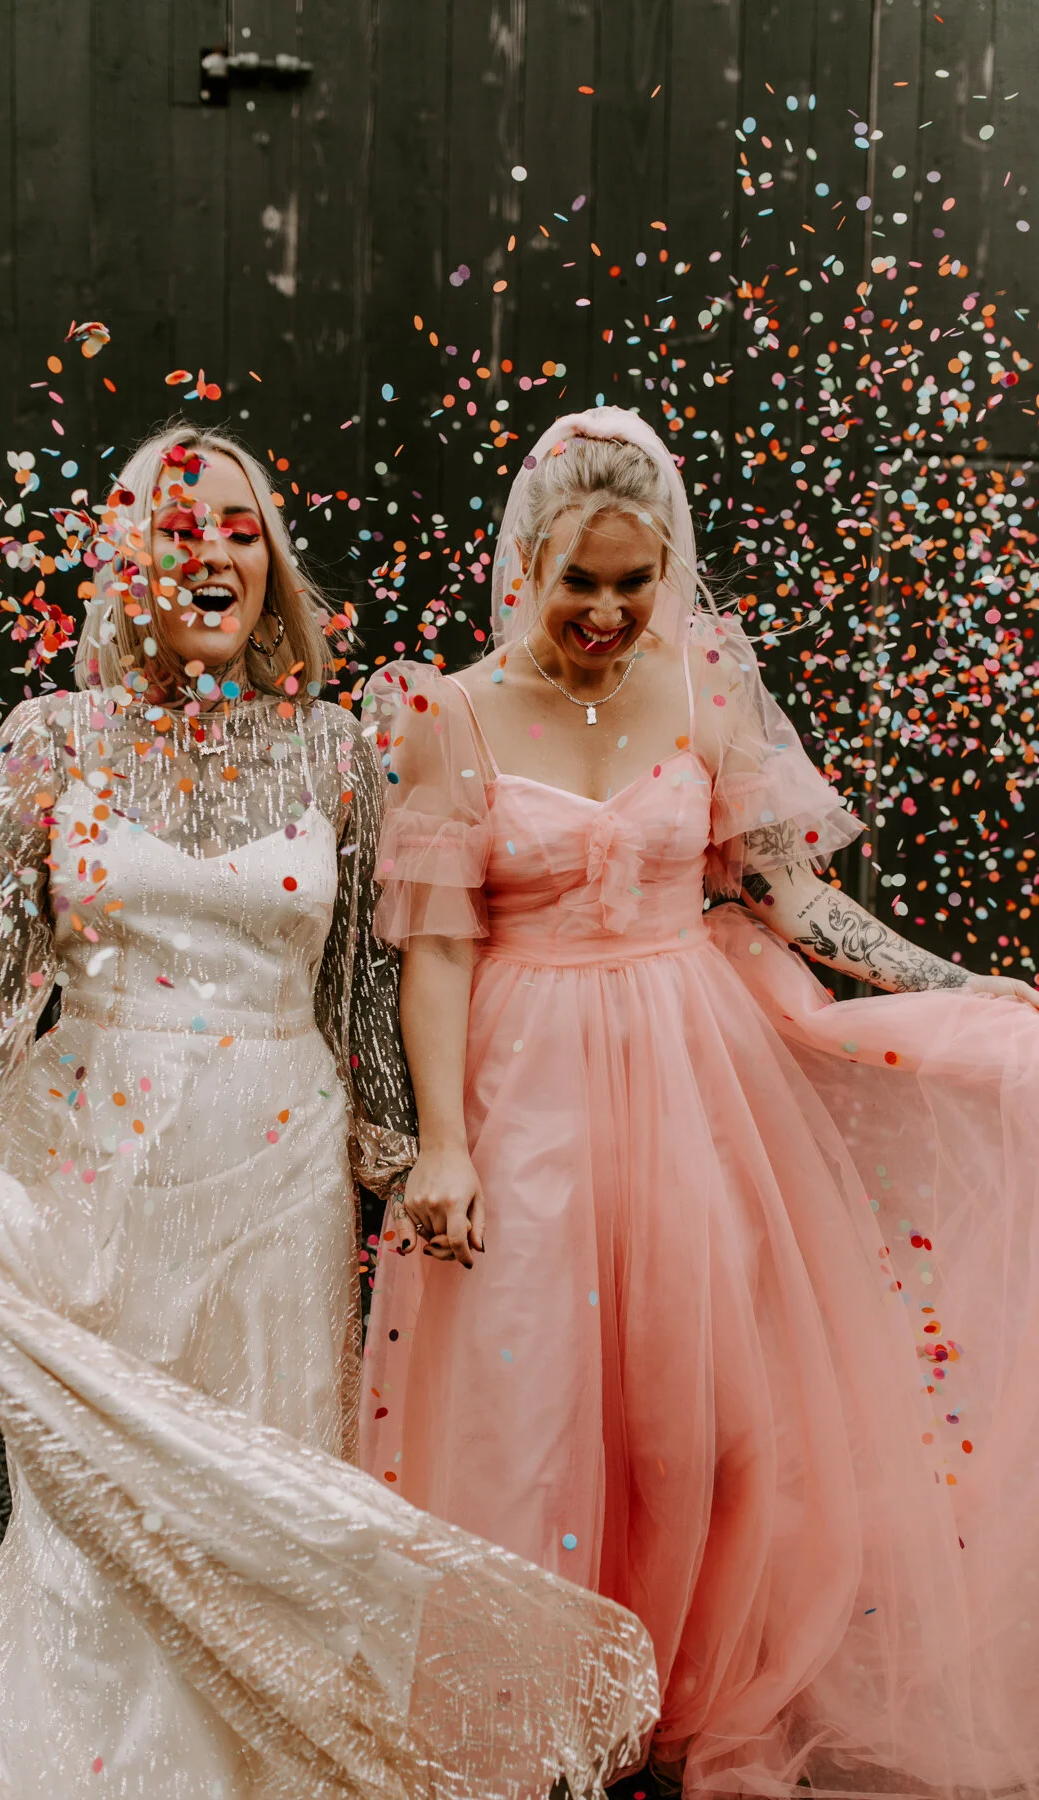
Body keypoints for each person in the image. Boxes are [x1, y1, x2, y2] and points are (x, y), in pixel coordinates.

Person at [0, 424, 658, 1799]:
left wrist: (405, 1155)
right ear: (128, 564)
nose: (212, 554)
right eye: (180, 530)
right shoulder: (51, 742)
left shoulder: (334, 751)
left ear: (271, 566)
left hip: (280, 1167)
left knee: (266, 1478)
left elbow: (364, 986)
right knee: (111, 1492)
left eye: (238, 531)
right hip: (99, 1157)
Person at [361, 406, 1039, 1799]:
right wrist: (443, 1145)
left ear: (668, 568)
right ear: (526, 564)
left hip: (690, 1070)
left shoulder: (708, 685)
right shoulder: (451, 715)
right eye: (580, 580)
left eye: (635, 581)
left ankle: (686, 1687)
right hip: (525, 1081)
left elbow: (792, 894)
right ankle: (535, 1705)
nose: (608, 613)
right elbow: (437, 952)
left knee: (707, 1410)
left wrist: (955, 979)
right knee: (532, 1391)